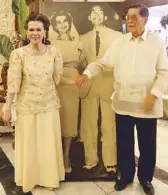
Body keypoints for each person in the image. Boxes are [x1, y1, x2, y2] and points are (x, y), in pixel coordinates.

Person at [76, 4, 168, 195]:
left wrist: (154, 94)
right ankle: (126, 176)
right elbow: (103, 63)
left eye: (134, 17)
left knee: (147, 145)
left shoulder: (156, 43)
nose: (130, 20)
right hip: (123, 103)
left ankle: (145, 179)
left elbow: (163, 72)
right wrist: (87, 73)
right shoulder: (120, 42)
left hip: (147, 104)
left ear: (145, 19)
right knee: (124, 143)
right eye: (127, 17)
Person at [2, 13, 65, 192]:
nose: (35, 33)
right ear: (26, 31)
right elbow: (13, 84)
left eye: (38, 29)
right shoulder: (18, 54)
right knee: (29, 145)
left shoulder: (54, 52)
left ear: (45, 31)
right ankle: (29, 179)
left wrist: (78, 80)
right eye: (31, 29)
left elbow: (57, 78)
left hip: (49, 105)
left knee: (47, 145)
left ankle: (49, 178)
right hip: (27, 106)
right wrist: (7, 108)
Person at [79, 4, 122, 176]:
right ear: (90, 18)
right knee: (88, 126)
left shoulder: (117, 36)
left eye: (100, 12)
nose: (96, 15)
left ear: (105, 17)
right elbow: (80, 61)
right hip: (88, 84)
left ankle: (110, 162)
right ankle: (90, 160)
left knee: (109, 125)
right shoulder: (82, 38)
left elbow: (120, 60)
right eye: (93, 13)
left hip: (108, 83)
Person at [50, 11, 82, 173]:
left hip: (72, 83)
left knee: (70, 118)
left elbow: (84, 61)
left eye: (65, 21)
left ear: (69, 23)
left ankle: (66, 155)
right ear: (54, 25)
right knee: (55, 117)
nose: (62, 25)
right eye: (58, 22)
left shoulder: (78, 41)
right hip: (54, 82)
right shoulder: (50, 42)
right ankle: (53, 157)